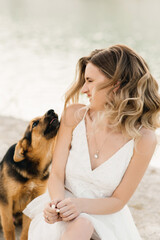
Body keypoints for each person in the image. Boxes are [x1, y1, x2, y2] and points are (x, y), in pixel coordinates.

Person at [23, 44, 160, 240]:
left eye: (89, 81)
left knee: (84, 222)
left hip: (105, 219)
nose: (84, 89)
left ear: (116, 84)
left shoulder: (144, 139)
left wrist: (79, 206)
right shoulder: (73, 116)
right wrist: (57, 205)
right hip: (64, 212)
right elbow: (56, 173)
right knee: (81, 224)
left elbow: (119, 200)